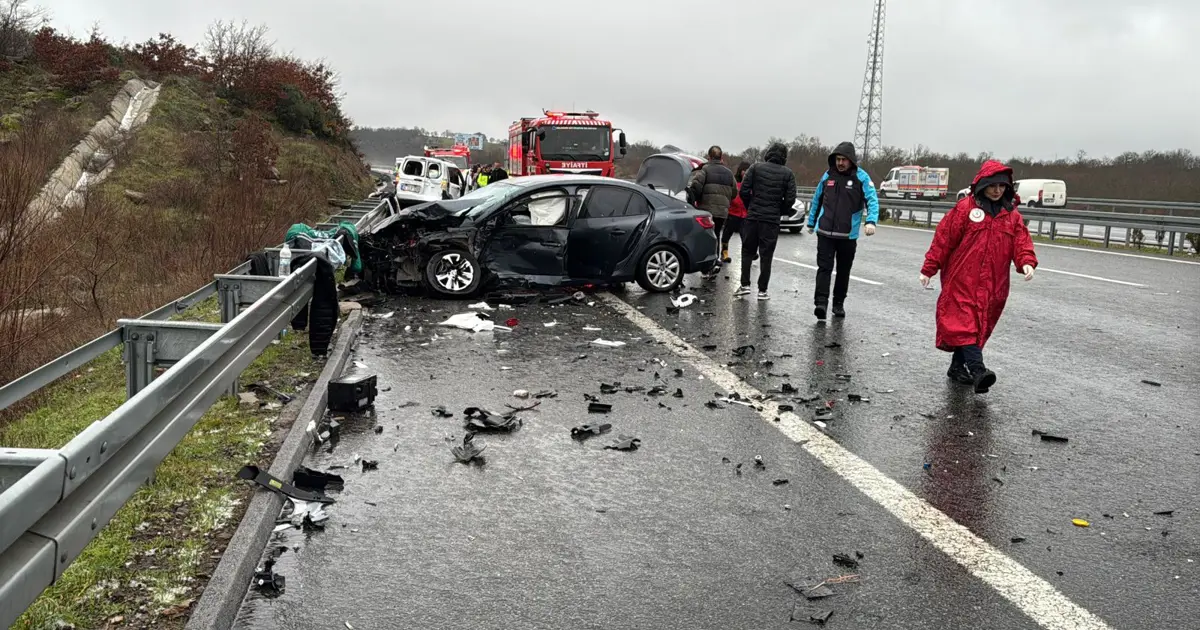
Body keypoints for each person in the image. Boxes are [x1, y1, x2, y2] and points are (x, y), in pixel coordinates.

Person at [919, 159, 1037, 394]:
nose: (997, 191)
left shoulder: (1011, 216)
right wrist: (929, 268)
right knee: (966, 325)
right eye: (993, 186)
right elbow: (944, 240)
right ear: (982, 185)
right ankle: (978, 370)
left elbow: (1021, 242)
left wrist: (1026, 262)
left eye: (1002, 187)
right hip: (962, 280)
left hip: (995, 284)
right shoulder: (964, 210)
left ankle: (956, 368)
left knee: (980, 326)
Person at [806, 141, 880, 320]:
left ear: (851, 161)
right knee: (824, 268)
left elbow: (872, 200)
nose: (840, 163)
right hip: (824, 232)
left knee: (843, 270)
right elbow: (817, 198)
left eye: (844, 160)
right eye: (838, 159)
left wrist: (871, 221)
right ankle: (821, 303)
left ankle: (838, 303)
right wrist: (811, 222)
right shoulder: (828, 176)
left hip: (848, 235)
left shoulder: (861, 177)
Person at [736, 143, 796, 300]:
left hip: (753, 216)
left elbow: (743, 191)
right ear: (784, 157)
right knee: (766, 255)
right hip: (771, 220)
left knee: (748, 251)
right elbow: (790, 199)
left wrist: (751, 207)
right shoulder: (788, 174)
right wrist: (779, 210)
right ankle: (762, 291)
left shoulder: (755, 168)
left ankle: (745, 285)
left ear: (768, 153)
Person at [687, 146, 738, 277]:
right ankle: (715, 260)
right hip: (722, 211)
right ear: (721, 158)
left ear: (709, 157)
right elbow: (734, 193)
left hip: (706, 210)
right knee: (716, 234)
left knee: (705, 236)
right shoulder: (729, 173)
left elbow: (695, 188)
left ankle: (707, 265)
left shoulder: (704, 170)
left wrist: (694, 201)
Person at [721, 161, 750, 263]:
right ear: (740, 171)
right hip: (733, 213)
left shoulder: (750, 183)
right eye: (744, 171)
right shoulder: (733, 181)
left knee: (746, 236)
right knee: (726, 235)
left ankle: (749, 254)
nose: (745, 173)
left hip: (744, 214)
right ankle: (724, 254)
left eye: (747, 171)